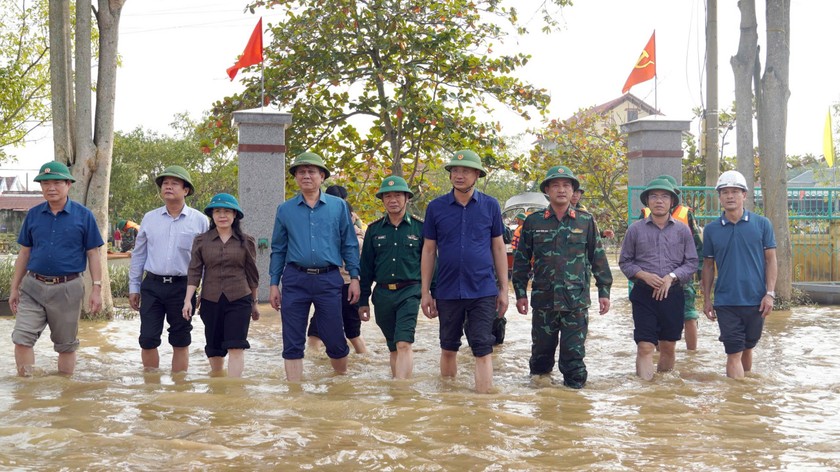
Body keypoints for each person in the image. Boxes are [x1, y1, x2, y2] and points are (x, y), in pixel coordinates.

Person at [512, 165, 612, 389]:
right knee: (540, 360)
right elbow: (521, 261)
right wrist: (520, 294)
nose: (561, 190)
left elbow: (597, 258)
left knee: (574, 361)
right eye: (555, 185)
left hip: (575, 302)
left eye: (566, 185)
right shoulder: (533, 222)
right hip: (544, 301)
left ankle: (573, 412)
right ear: (547, 190)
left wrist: (604, 291)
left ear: (573, 190)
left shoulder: (585, 221)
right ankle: (542, 409)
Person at [420, 150, 509, 393]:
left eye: (466, 171)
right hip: (447, 289)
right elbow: (429, 251)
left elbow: (498, 247)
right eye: (455, 171)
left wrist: (504, 289)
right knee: (448, 347)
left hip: (482, 289)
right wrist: (426, 291)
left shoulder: (490, 205)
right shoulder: (436, 207)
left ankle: (483, 407)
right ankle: (449, 402)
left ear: (477, 175)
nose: (459, 175)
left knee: (483, 347)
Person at [268, 152, 361, 382]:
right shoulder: (285, 209)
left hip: (328, 279)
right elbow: (278, 248)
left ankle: (340, 387)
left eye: (312, 172)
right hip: (295, 279)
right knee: (292, 340)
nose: (306, 176)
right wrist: (273, 284)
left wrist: (356, 278)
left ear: (322, 176)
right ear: (296, 178)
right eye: (301, 172)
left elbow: (349, 244)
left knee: (335, 339)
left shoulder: (338, 207)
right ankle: (295, 394)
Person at [9, 161, 104, 376]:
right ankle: (26, 390)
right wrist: (15, 288)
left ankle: (65, 395)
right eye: (45, 183)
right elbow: (24, 253)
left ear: (68, 184)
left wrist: (96, 289)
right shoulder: (33, 215)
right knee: (22, 339)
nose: (50, 188)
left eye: (56, 183)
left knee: (66, 345)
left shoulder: (84, 216)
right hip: (32, 286)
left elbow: (93, 254)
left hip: (68, 288)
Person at [129, 166, 209, 373]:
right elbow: (139, 254)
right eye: (165, 183)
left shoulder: (200, 221)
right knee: (147, 338)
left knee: (180, 339)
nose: (168, 187)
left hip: (183, 287)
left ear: (186, 190)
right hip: (152, 285)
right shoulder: (149, 218)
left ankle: (179, 389)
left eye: (174, 183)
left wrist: (204, 289)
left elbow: (206, 259)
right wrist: (134, 287)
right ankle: (151, 387)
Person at [619, 178, 698, 380]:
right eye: (654, 196)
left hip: (673, 294)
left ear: (672, 201)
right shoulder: (635, 230)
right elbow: (625, 262)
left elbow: (691, 263)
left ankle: (663, 390)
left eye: (664, 196)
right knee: (645, 346)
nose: (659, 201)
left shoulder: (682, 231)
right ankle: (646, 390)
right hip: (644, 294)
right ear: (647, 201)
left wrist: (671, 278)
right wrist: (643, 274)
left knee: (668, 346)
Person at [701, 170, 777, 379]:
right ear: (719, 197)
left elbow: (771, 260)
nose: (730, 196)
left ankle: (745, 401)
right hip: (726, 301)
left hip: (756, 300)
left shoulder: (762, 224)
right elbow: (707, 265)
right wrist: (707, 300)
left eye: (735, 191)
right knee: (733, 351)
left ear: (744, 195)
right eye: (725, 192)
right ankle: (735, 403)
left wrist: (770, 293)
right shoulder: (711, 230)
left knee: (748, 347)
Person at [182, 193, 259, 378]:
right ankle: (217, 385)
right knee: (214, 347)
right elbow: (194, 271)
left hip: (240, 298)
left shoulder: (246, 241)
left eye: (226, 211)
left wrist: (254, 303)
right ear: (212, 215)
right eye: (217, 211)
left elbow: (252, 274)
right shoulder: (201, 241)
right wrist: (188, 301)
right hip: (211, 299)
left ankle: (234, 390)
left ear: (235, 215)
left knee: (236, 344)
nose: (222, 215)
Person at [358, 176, 424, 379]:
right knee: (393, 347)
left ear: (407, 198)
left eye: (397, 195)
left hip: (410, 292)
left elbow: (431, 264)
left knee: (404, 342)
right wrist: (363, 301)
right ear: (383, 200)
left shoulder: (421, 228)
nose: (392, 200)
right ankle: (397, 394)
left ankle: (403, 390)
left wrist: (433, 294)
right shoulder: (374, 230)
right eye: (388, 196)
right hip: (383, 295)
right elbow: (366, 267)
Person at [639, 174, 704, 350]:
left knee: (689, 315)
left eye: (667, 194)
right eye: (656, 195)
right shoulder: (645, 216)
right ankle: (661, 353)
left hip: (681, 277)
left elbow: (697, 246)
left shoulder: (685, 215)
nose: (661, 200)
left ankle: (692, 355)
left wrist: (694, 273)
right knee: (659, 318)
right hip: (654, 279)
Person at [306, 184, 367, 354]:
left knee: (317, 334)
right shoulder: (357, 233)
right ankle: (363, 360)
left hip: (339, 285)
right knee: (351, 333)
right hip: (342, 286)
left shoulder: (351, 237)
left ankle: (315, 366)